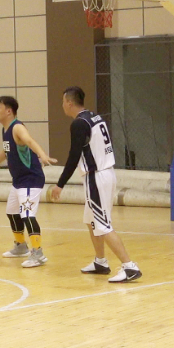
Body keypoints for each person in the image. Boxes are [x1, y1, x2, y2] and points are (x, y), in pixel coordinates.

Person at [51, 87, 141, 283]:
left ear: (69, 103)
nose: (62, 106)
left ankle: (129, 266)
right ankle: (100, 261)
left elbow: (74, 156)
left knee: (102, 224)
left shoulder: (78, 124)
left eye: (63, 102)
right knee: (91, 220)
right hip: (106, 173)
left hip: (96, 177)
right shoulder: (95, 117)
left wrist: (60, 184)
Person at [0, 96, 56, 268]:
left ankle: (38, 253)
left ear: (8, 111)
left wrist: (42, 154)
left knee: (27, 215)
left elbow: (29, 140)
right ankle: (21, 246)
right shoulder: (6, 130)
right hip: (18, 181)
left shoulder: (17, 127)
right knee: (12, 212)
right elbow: (5, 151)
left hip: (30, 179)